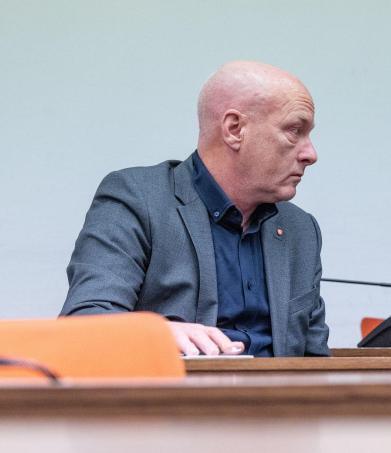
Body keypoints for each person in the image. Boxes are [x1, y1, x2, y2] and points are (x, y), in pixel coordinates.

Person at [61, 61, 329, 357]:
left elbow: (316, 358)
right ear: (234, 129)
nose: (310, 154)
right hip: (178, 399)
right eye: (294, 130)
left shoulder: (300, 229)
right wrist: (159, 333)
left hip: (281, 400)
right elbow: (84, 323)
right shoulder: (137, 199)